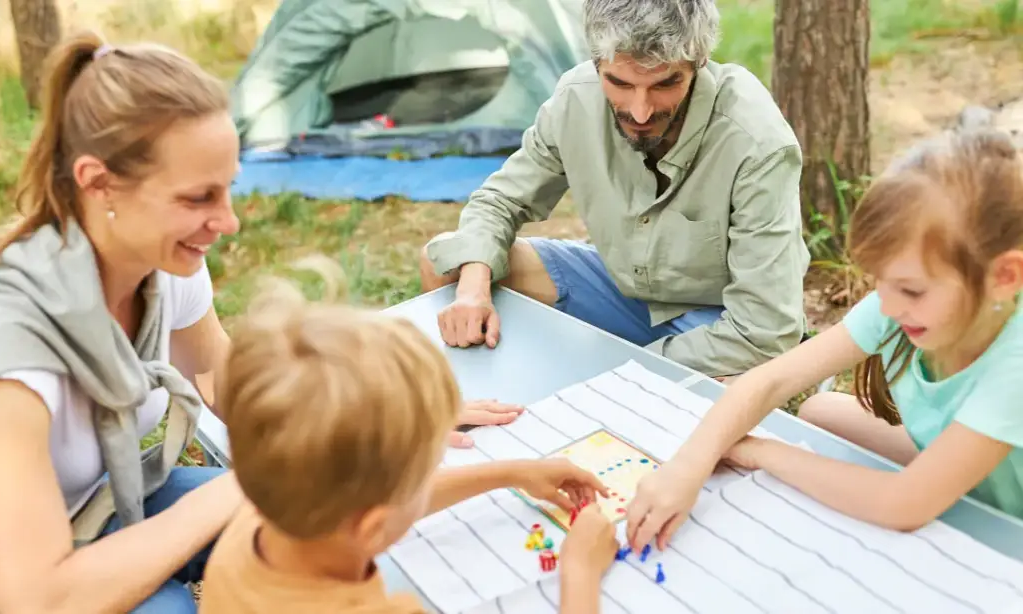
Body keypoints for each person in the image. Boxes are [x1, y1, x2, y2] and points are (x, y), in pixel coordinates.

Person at [0, 31, 521, 614]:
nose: (230, 222)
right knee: (172, 603)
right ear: (97, 183)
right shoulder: (10, 362)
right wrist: (244, 489)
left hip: (102, 505)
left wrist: (387, 413)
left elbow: (228, 385)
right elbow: (38, 598)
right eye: (198, 198)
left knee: (319, 513)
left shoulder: (162, 267)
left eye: (229, 190)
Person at [623, 128, 1023, 553]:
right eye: (879, 281)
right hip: (960, 462)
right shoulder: (904, 306)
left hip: (1008, 526)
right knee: (818, 409)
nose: (884, 308)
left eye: (910, 290)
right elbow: (770, 382)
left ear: (1004, 277)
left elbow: (904, 504)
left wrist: (761, 453)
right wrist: (687, 466)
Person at [418, 0, 809, 379]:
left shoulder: (756, 141)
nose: (640, 112)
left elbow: (763, 329)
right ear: (596, 61)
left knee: (730, 394)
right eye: (619, 83)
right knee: (455, 263)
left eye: (666, 83)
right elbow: (499, 200)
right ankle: (494, 405)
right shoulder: (576, 98)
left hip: (719, 322)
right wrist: (472, 289)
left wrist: (619, 373)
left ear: (698, 63)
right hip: (620, 290)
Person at [199, 279, 621, 613]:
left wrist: (508, 473)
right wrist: (579, 575)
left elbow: (375, 503)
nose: (432, 479)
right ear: (372, 527)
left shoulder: (258, 519)